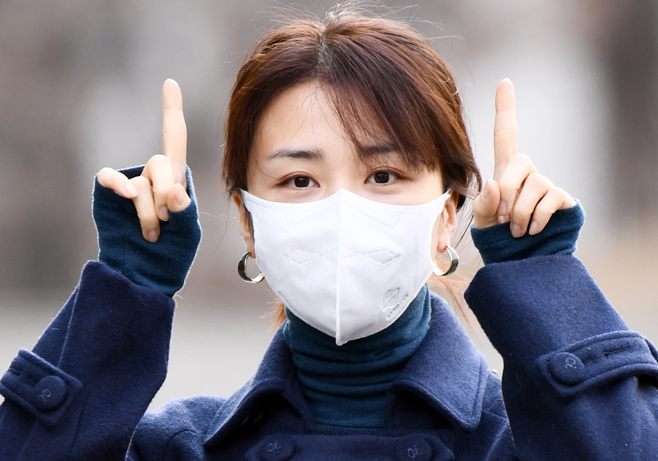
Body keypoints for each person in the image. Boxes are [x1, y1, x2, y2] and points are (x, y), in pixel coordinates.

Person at [1, 7, 657, 460]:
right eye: (298, 180)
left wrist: (545, 284)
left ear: (448, 214)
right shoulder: (182, 447)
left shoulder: (518, 441)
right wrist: (127, 290)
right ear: (249, 224)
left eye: (383, 175)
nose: (342, 209)